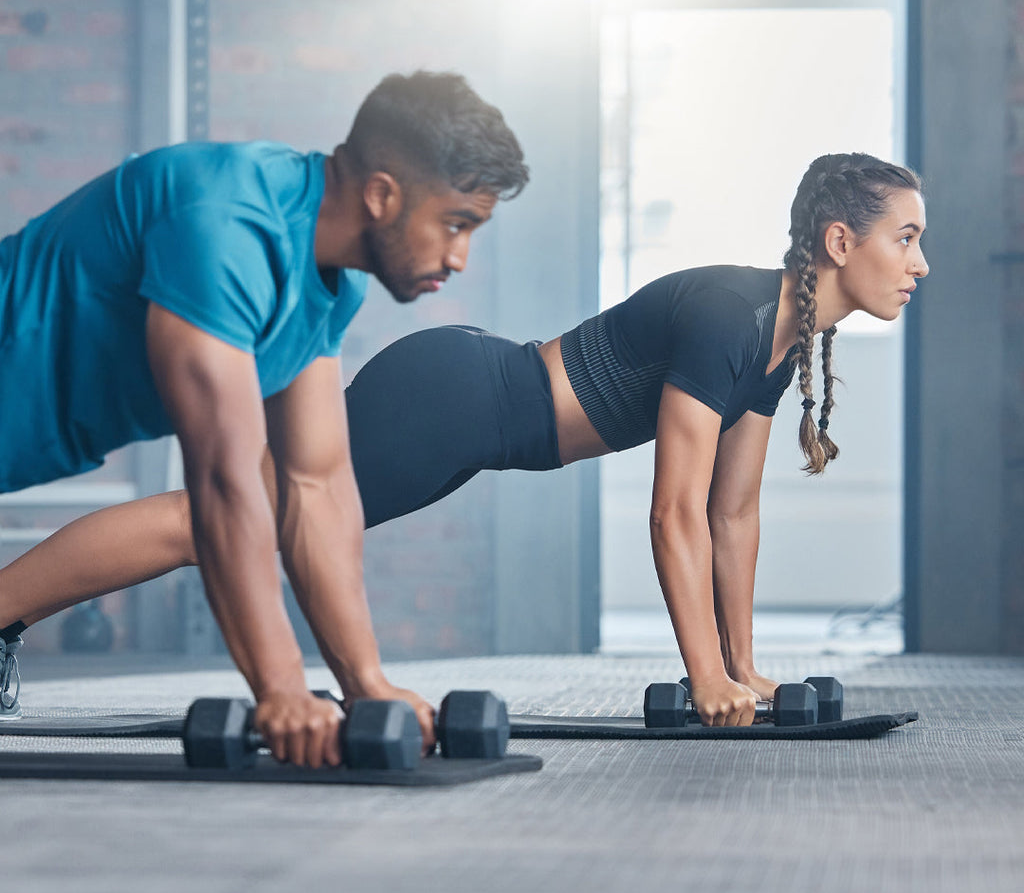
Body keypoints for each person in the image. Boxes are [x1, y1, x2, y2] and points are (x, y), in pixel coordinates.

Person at [0, 152, 926, 734]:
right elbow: (675, 510)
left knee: (229, 518)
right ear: (842, 241)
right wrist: (703, 678)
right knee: (211, 521)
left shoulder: (782, 338)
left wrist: (740, 670)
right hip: (453, 400)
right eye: (908, 239)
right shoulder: (733, 315)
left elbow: (734, 513)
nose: (920, 265)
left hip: (473, 413)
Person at [0, 70, 529, 765]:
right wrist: (279, 687)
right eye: (455, 224)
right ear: (381, 195)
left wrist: (365, 684)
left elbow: (316, 489)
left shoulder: (328, 291)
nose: (459, 257)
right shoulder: (227, 222)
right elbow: (224, 481)